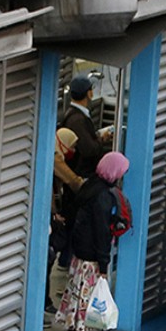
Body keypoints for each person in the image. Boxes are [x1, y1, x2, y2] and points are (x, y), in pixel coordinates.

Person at [55, 151, 129, 331]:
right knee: (89, 292)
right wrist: (104, 262)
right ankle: (83, 330)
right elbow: (101, 230)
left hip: (79, 249)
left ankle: (72, 325)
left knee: (76, 288)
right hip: (92, 253)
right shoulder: (103, 196)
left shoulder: (90, 185)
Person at [58, 75, 113, 267]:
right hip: (81, 177)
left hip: (78, 177)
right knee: (75, 224)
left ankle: (66, 260)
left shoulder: (73, 115)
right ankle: (66, 262)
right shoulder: (78, 119)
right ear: (88, 93)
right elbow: (88, 149)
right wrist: (101, 140)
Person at [49, 128, 84, 319]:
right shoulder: (55, 157)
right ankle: (45, 304)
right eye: (71, 146)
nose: (73, 151)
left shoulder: (56, 154)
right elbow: (73, 181)